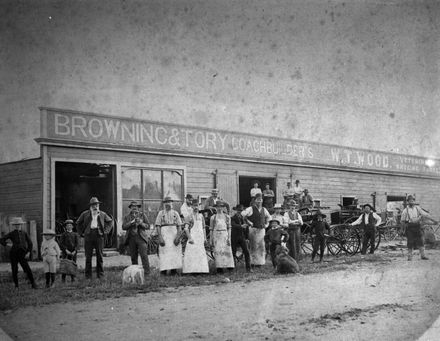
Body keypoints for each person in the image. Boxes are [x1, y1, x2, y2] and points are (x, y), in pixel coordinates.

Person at [76, 197, 114, 279]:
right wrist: (81, 233)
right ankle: (88, 276)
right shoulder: (85, 214)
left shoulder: (102, 214)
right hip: (88, 236)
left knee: (99, 256)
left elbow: (110, 222)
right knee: (88, 256)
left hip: (99, 236)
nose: (95, 206)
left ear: (98, 205)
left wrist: (106, 231)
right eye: (93, 205)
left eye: (96, 204)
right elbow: (78, 223)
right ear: (90, 206)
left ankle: (100, 275)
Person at [0, 217, 37, 289]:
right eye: (16, 224)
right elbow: (1, 240)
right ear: (14, 225)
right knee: (14, 269)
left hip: (22, 253)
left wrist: (28, 252)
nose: (17, 226)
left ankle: (33, 283)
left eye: (19, 224)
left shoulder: (24, 233)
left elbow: (30, 243)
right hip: (14, 254)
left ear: (21, 225)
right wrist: (8, 244)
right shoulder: (11, 233)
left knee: (27, 268)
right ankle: (16, 285)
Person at [400, 195, 438, 261]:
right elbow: (402, 221)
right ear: (408, 201)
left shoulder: (418, 208)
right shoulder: (405, 210)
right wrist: (402, 230)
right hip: (409, 228)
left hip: (417, 227)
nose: (411, 202)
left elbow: (426, 215)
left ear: (414, 201)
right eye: (410, 200)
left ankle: (423, 256)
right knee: (410, 242)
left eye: (412, 200)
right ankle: (409, 257)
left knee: (421, 241)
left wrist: (434, 220)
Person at [155, 196, 183, 275]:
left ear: (172, 203)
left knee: (174, 252)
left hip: (173, 235)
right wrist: (160, 237)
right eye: (166, 202)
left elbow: (179, 226)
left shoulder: (175, 213)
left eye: (170, 202)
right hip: (164, 235)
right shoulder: (161, 213)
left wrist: (178, 237)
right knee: (164, 252)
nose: (168, 204)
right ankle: (163, 271)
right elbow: (158, 225)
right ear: (164, 204)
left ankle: (173, 270)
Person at [122, 201, 151, 275]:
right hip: (131, 238)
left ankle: (147, 273)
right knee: (133, 257)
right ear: (130, 208)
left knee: (144, 255)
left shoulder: (142, 215)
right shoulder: (127, 217)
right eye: (132, 206)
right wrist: (131, 222)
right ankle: (135, 273)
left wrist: (141, 223)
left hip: (141, 238)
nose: (134, 208)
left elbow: (148, 226)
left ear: (138, 208)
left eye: (136, 206)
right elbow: (123, 227)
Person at [241, 193, 271, 267]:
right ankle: (253, 263)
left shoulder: (264, 209)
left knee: (261, 246)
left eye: (260, 200)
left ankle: (260, 263)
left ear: (262, 201)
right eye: (257, 200)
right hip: (253, 230)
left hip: (262, 230)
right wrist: (248, 222)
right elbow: (242, 214)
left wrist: (266, 224)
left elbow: (269, 217)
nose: (259, 202)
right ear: (255, 201)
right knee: (253, 246)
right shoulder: (251, 208)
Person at [182, 199, 209, 274]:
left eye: (197, 205)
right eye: (194, 205)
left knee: (200, 253)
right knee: (192, 252)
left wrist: (205, 238)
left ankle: (201, 270)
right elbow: (186, 228)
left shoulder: (201, 216)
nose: (196, 207)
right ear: (192, 206)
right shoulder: (189, 216)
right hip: (193, 237)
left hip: (200, 237)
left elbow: (203, 228)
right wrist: (190, 238)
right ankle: (191, 270)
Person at [210, 201, 235, 272]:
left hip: (225, 234)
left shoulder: (227, 217)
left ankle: (229, 267)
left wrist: (229, 238)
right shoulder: (213, 217)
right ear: (216, 207)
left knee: (226, 250)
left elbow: (229, 227)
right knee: (218, 250)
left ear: (223, 207)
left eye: (221, 206)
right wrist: (211, 239)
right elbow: (211, 229)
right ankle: (219, 268)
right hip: (216, 234)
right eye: (218, 206)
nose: (219, 208)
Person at [230, 204, 251, 272]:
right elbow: (233, 225)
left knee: (247, 252)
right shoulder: (232, 218)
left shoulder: (244, 218)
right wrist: (241, 226)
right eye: (238, 210)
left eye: (241, 210)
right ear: (236, 210)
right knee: (233, 252)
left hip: (242, 237)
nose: (240, 212)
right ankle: (233, 268)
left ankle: (248, 268)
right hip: (234, 237)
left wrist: (247, 238)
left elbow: (247, 228)